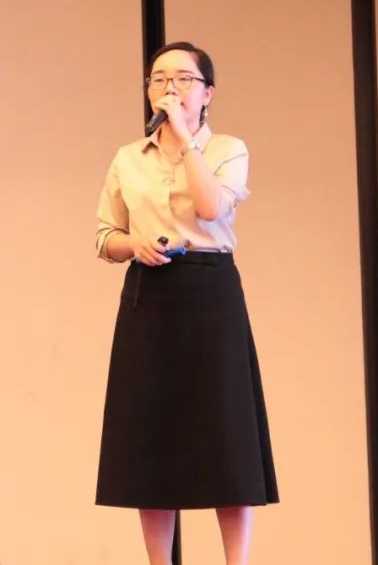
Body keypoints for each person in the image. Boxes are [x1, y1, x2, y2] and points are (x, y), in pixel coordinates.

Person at [94, 42, 278, 565]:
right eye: (158, 79)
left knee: (227, 434)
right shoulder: (128, 157)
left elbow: (211, 206)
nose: (168, 88)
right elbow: (105, 236)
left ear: (207, 92)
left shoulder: (228, 149)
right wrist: (134, 244)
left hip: (211, 293)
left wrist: (185, 141)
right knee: (151, 437)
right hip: (150, 295)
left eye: (182, 79)